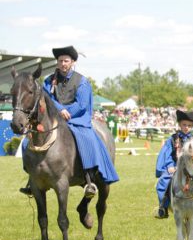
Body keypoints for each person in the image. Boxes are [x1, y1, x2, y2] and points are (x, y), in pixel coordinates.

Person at [20, 45, 119, 197]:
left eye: (66, 61)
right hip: (53, 118)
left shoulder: (82, 81)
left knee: (86, 139)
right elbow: (46, 98)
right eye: (60, 61)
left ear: (72, 62)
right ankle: (32, 178)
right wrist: (60, 109)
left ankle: (89, 178)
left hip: (77, 118)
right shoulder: (48, 81)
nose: (63, 64)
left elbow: (82, 105)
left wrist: (67, 112)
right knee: (28, 141)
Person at [154, 109, 193, 220]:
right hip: (176, 168)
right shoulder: (173, 139)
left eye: (189, 125)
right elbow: (167, 154)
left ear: (192, 126)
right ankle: (163, 207)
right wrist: (169, 166)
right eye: (184, 124)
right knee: (164, 181)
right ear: (179, 124)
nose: (186, 127)